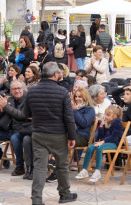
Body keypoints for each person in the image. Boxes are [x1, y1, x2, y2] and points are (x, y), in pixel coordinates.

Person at [23, 62, 77, 204]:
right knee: (62, 165)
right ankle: (65, 194)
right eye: (59, 72)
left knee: (40, 167)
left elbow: (26, 113)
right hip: (58, 134)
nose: (60, 74)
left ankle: (36, 200)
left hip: (38, 133)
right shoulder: (62, 92)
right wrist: (72, 136)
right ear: (54, 74)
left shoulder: (32, 91)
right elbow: (69, 117)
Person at [75, 105, 123, 183]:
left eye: (108, 115)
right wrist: (101, 126)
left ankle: (97, 171)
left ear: (114, 116)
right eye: (105, 114)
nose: (105, 117)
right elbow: (102, 136)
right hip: (105, 142)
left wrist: (103, 142)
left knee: (99, 148)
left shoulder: (117, 122)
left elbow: (114, 137)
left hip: (114, 143)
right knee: (90, 148)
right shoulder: (108, 122)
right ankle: (84, 170)